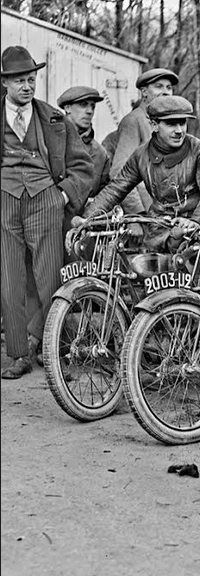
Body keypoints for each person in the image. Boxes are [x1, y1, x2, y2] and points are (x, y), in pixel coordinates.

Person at [1, 46, 95, 379]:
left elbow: (85, 167)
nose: (27, 86)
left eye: (31, 79)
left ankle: (54, 352)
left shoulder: (55, 119)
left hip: (46, 200)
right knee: (11, 279)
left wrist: (61, 195)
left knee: (51, 278)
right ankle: (17, 354)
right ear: (5, 83)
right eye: (19, 81)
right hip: (5, 200)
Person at [78, 95, 200, 251]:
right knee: (144, 270)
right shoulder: (141, 155)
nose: (179, 130)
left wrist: (196, 220)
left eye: (182, 123)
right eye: (170, 124)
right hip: (160, 231)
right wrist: (85, 219)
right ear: (154, 125)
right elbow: (115, 189)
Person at [108, 68, 179, 211]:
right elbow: (119, 173)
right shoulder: (134, 121)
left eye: (169, 87)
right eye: (158, 86)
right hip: (146, 212)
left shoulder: (166, 123)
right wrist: (137, 215)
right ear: (144, 92)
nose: (165, 92)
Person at [57, 86, 111, 202]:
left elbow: (104, 194)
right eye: (83, 105)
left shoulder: (100, 153)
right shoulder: (48, 141)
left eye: (93, 106)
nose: (89, 111)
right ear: (67, 108)